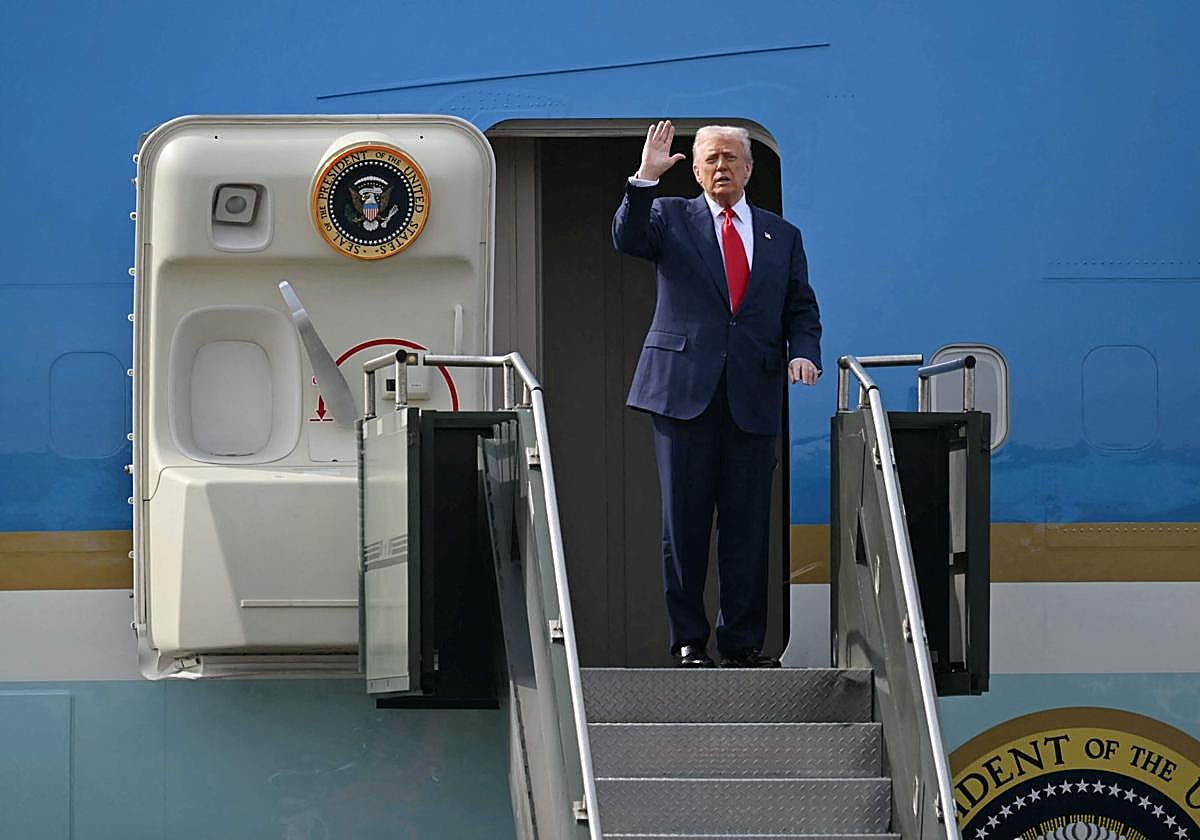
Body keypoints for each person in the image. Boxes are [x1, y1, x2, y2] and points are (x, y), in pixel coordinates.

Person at [612, 121, 822, 668]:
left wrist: (804, 352)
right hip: (682, 391)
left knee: (748, 525)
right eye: (709, 159)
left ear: (750, 168)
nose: (720, 167)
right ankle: (688, 640)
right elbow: (627, 240)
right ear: (697, 168)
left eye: (730, 157)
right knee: (683, 525)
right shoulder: (669, 215)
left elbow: (801, 308)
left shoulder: (782, 235)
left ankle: (743, 643)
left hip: (753, 393)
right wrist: (645, 178)